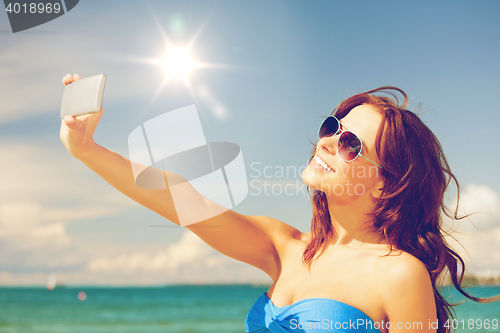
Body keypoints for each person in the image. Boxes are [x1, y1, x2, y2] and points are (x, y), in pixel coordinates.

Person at [60, 75, 499, 333]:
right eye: (332, 126)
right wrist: (88, 150)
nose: (326, 141)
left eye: (349, 144)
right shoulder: (286, 247)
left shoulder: (400, 274)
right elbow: (182, 201)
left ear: (386, 185)